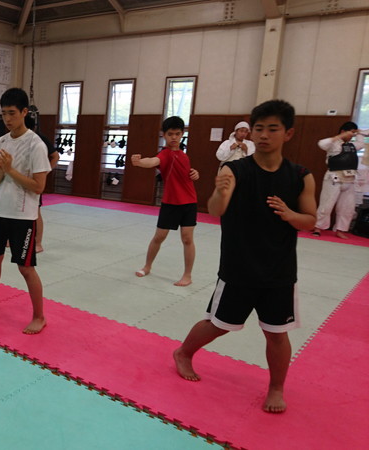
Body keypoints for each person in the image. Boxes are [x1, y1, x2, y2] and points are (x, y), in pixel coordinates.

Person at [173, 100, 316, 414]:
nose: (264, 135)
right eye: (259, 129)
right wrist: (219, 192)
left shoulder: (301, 176)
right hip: (239, 267)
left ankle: (276, 388)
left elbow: (311, 220)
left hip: (279, 269)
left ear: (288, 133)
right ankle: (183, 352)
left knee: (277, 334)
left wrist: (290, 214)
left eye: (272, 129)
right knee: (218, 324)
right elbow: (215, 210)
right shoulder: (235, 168)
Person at [0, 88, 52, 334]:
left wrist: (10, 169)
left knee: (25, 268)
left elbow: (39, 187)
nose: (7, 119)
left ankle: (39, 316)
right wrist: (1, 170)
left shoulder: (35, 145)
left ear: (24, 112)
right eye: (4, 113)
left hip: (23, 216)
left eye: (12, 113)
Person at [131, 116, 200, 286]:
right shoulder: (165, 153)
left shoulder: (184, 156)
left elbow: (187, 174)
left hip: (189, 201)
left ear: (182, 134)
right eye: (170, 134)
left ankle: (187, 276)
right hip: (170, 202)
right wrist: (140, 162)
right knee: (159, 237)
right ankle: (147, 266)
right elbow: (153, 161)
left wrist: (195, 174)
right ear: (164, 135)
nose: (174, 137)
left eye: (177, 134)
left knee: (187, 239)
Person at [312, 121, 364, 239]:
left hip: (350, 180)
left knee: (347, 208)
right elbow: (321, 143)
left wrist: (359, 132)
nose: (352, 136)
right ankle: (318, 227)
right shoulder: (333, 144)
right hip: (334, 178)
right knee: (326, 205)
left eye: (353, 134)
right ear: (343, 131)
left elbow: (361, 142)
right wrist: (340, 136)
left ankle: (341, 230)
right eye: (350, 133)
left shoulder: (353, 146)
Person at [25, 114, 61, 253]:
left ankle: (38, 243)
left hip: (34, 180)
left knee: (35, 211)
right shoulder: (15, 139)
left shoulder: (39, 139)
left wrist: (45, 172)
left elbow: (56, 156)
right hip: (20, 179)